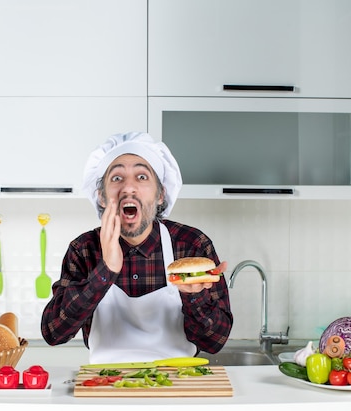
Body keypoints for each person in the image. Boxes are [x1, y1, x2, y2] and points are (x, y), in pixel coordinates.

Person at [40, 132, 232, 363]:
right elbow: (53, 333)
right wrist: (106, 271)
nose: (129, 188)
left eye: (141, 177)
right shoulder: (84, 249)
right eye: (117, 178)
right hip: (106, 385)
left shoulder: (191, 244)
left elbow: (215, 342)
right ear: (101, 196)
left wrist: (194, 298)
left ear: (160, 194)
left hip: (177, 385)